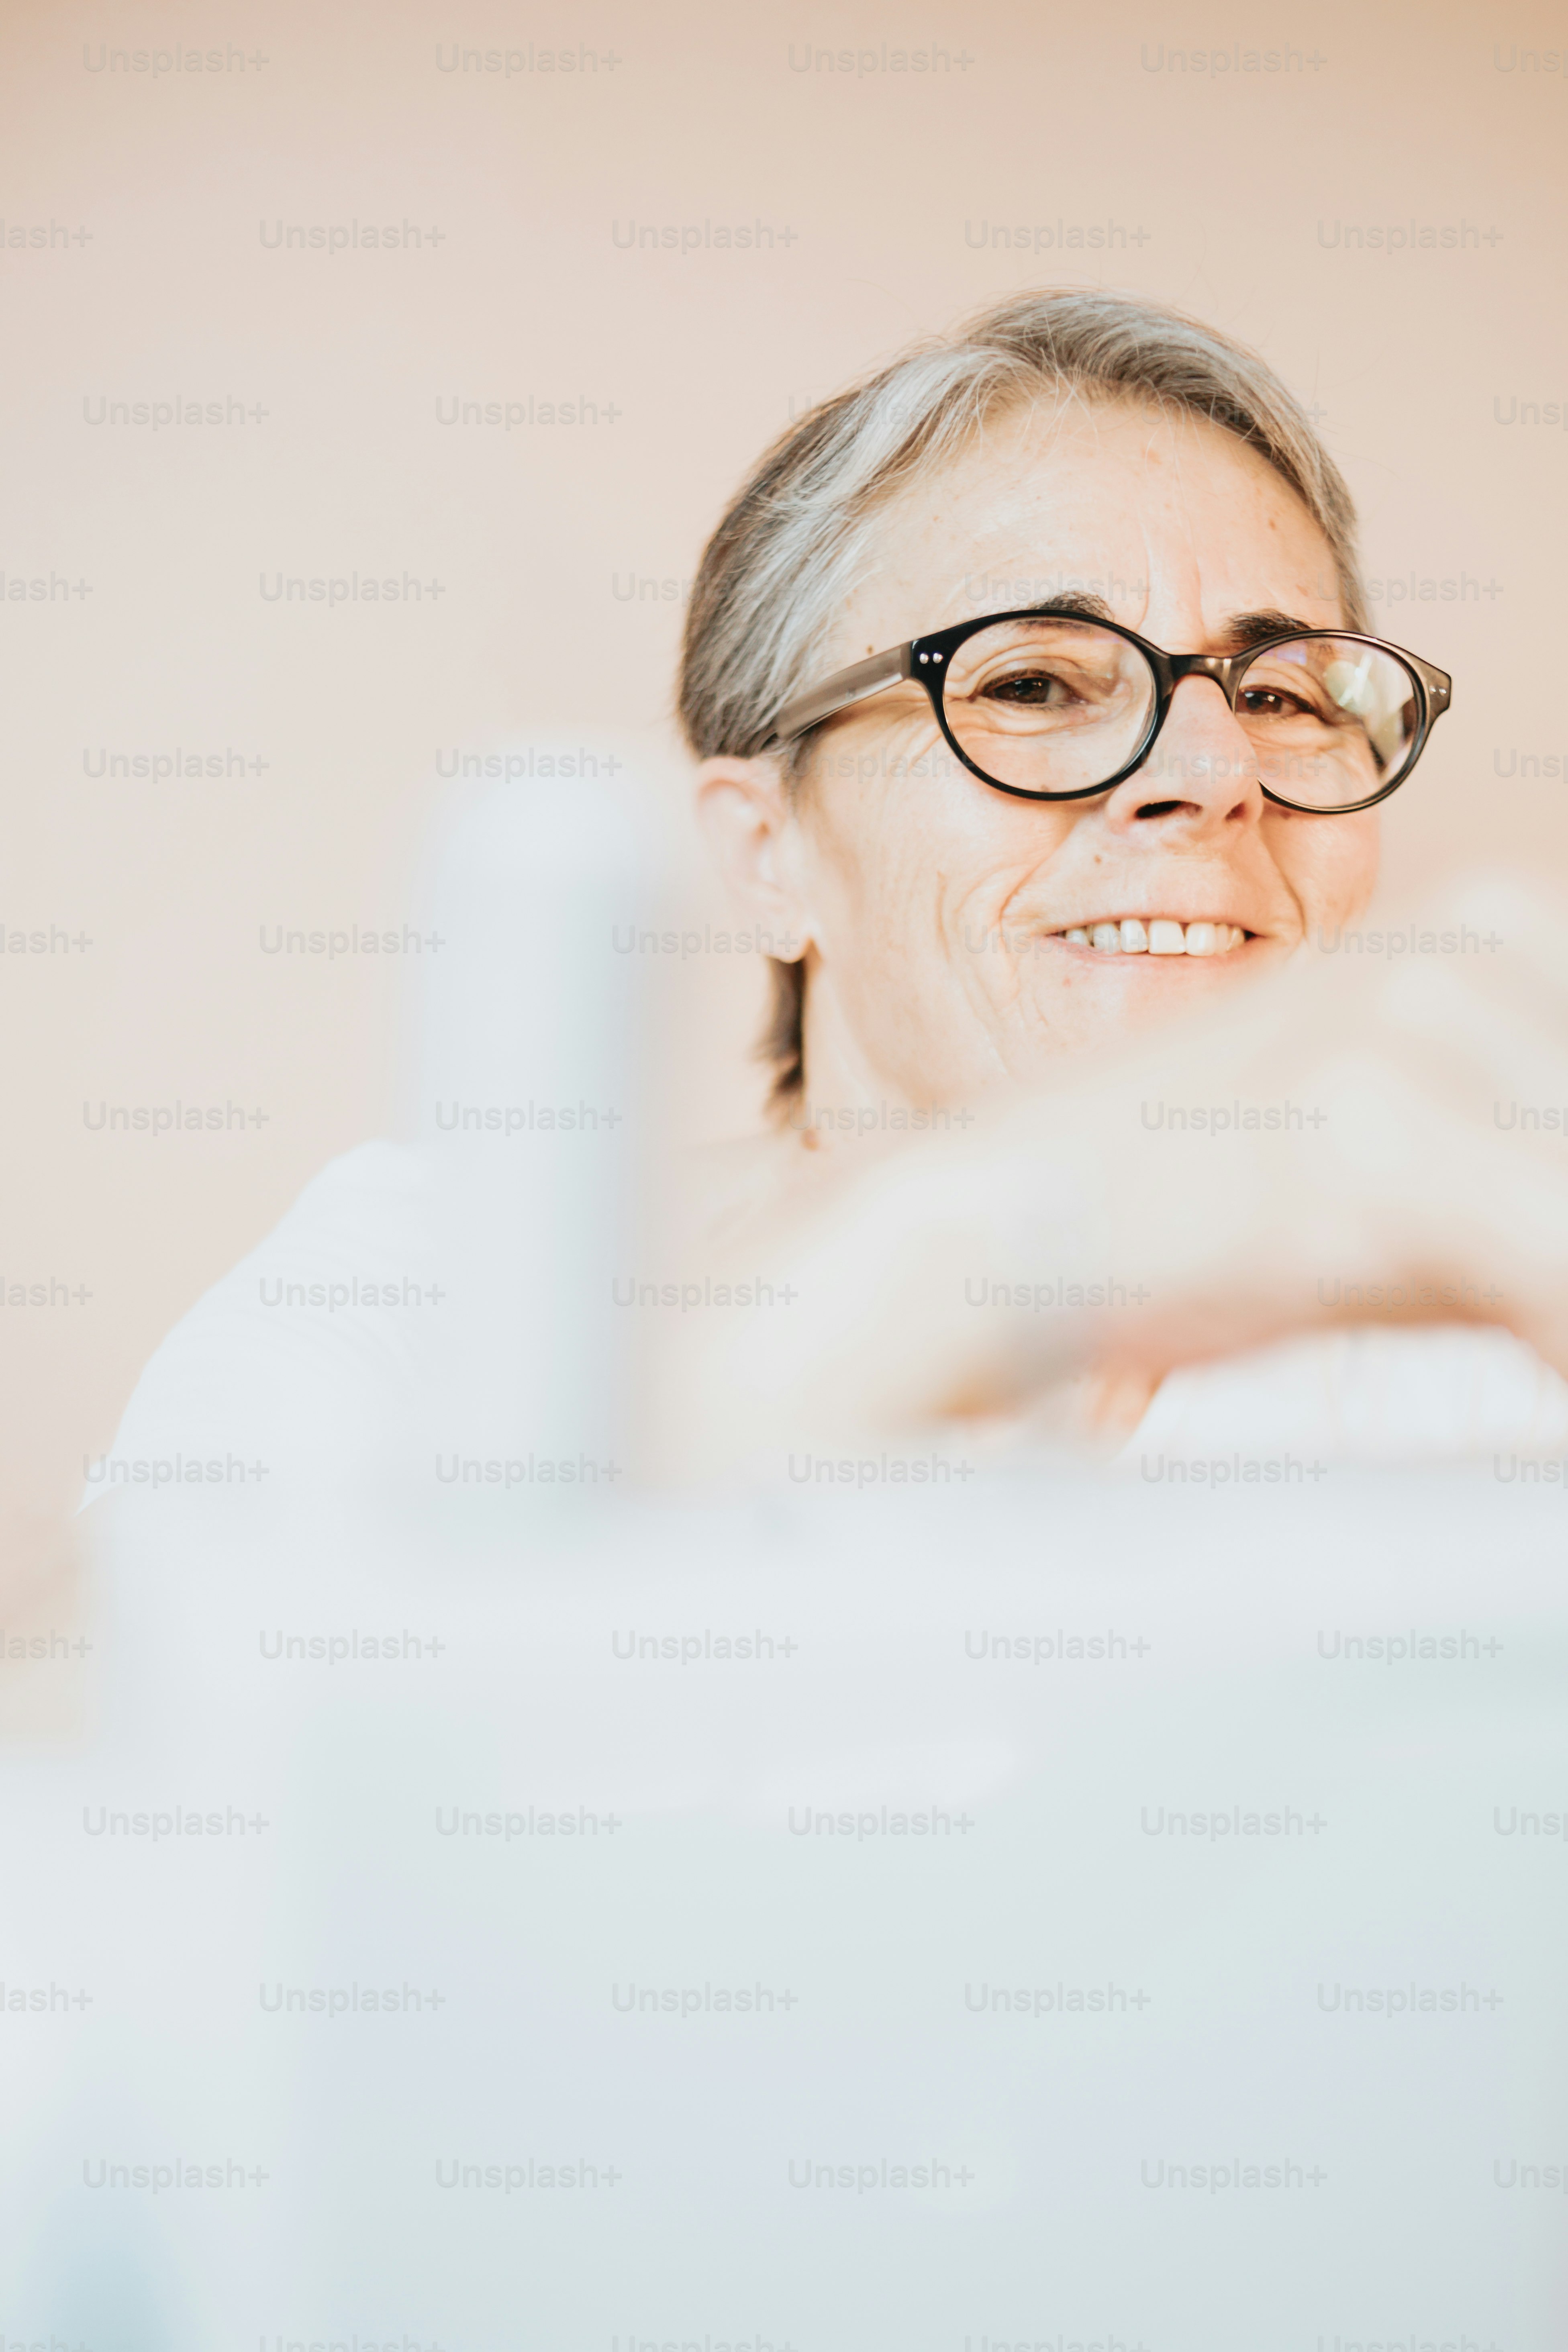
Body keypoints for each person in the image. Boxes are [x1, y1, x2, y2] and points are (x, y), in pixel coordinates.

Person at [654, 288, 1568, 1477]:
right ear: (766, 853)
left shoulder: (1509, 1363)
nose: (1214, 773)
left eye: (1280, 696)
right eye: (1032, 685)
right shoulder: (461, 1291)